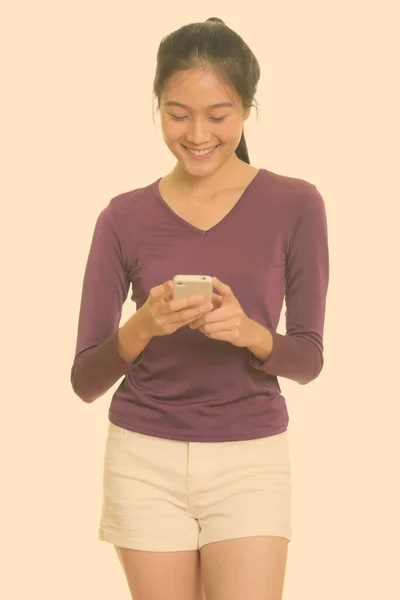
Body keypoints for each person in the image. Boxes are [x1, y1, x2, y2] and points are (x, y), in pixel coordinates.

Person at [71, 17, 329, 600]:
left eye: (219, 115)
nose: (197, 133)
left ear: (246, 109)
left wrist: (248, 332)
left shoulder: (296, 204)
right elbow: (85, 379)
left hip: (251, 460)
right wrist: (142, 326)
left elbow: (308, 360)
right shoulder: (122, 217)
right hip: (143, 459)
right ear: (157, 105)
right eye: (177, 113)